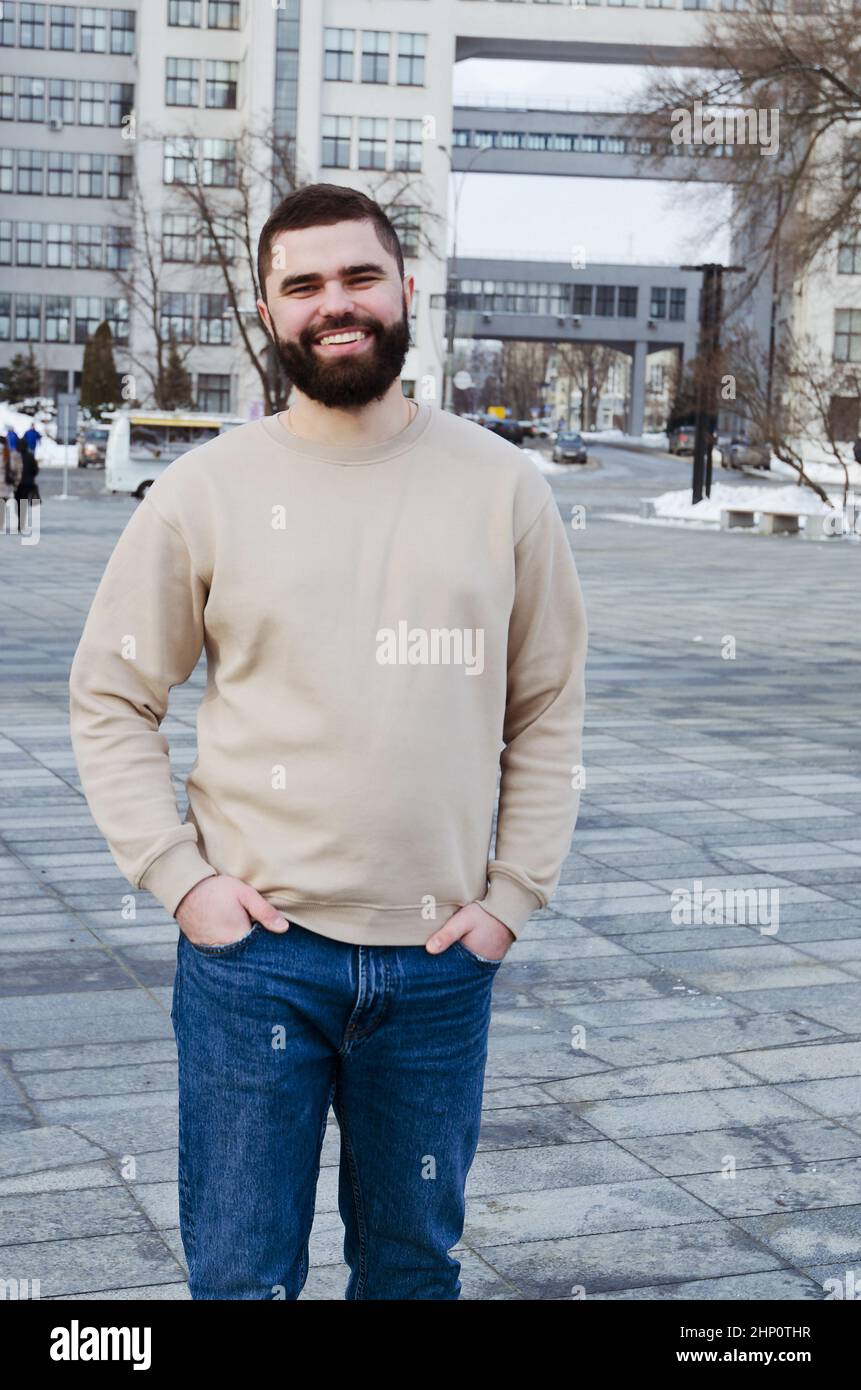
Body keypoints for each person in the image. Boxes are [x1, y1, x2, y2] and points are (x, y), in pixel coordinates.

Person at [69, 183, 588, 1301]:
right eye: (301, 285)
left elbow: (546, 707)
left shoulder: (502, 489)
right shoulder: (205, 491)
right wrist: (177, 878)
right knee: (242, 1276)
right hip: (257, 960)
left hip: (440, 961)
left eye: (358, 276)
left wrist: (510, 900)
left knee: (410, 1270)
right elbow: (110, 694)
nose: (333, 304)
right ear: (268, 309)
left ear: (407, 287)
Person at [14, 421, 41, 525]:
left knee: (18, 502)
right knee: (24, 501)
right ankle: (22, 521)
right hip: (28, 483)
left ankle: (19, 520)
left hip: (18, 484)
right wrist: (31, 477)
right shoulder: (30, 457)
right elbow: (36, 470)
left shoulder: (15, 457)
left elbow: (12, 470)